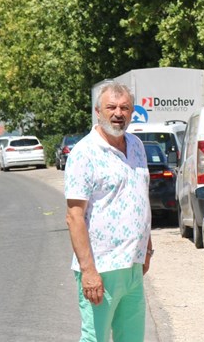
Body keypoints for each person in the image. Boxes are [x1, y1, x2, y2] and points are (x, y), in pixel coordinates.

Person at [65, 81, 153, 342]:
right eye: (111, 107)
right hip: (101, 268)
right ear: (98, 111)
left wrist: (147, 247)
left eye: (124, 107)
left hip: (133, 265)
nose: (118, 113)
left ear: (132, 111)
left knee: (132, 338)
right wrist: (88, 271)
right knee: (96, 338)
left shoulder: (136, 146)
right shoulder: (84, 153)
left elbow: (140, 198)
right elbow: (74, 216)